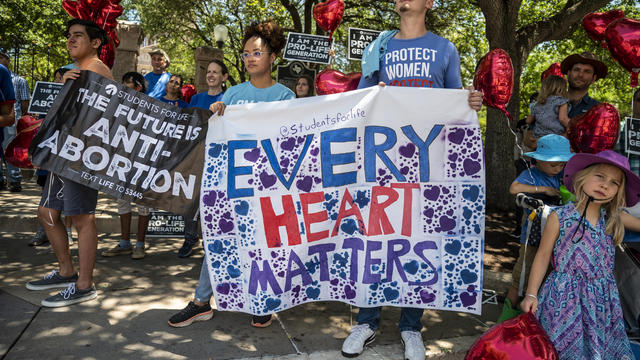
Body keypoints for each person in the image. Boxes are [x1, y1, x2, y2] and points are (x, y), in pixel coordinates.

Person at [342, 1, 483, 359]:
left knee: (420, 237)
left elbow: (455, 102)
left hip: (427, 163)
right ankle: (367, 320)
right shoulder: (379, 46)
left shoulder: (445, 48)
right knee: (375, 234)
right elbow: (360, 100)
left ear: (429, 3)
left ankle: (410, 326)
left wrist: (471, 102)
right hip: (381, 162)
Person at [168, 19, 294, 329]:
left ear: (273, 57)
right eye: (246, 53)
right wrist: (217, 115)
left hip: (267, 187)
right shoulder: (233, 95)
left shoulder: (286, 98)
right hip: (230, 185)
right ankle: (201, 302)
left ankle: (262, 300)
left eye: (258, 52)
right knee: (218, 239)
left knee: (264, 244)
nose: (251, 58)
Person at [26, 18, 113, 307]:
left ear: (96, 43)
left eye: (78, 36)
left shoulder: (96, 70)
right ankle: (66, 271)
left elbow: (104, 116)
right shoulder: (78, 72)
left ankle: (85, 284)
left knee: (82, 217)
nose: (70, 40)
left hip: (82, 158)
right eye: (69, 36)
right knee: (47, 214)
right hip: (64, 154)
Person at [520, 150, 638, 359]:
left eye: (614, 183)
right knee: (560, 348)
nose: (605, 185)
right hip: (563, 297)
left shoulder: (613, 219)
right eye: (600, 176)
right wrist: (531, 293)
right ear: (582, 178)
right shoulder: (560, 217)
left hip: (601, 300)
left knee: (597, 348)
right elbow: (543, 255)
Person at [500, 134, 573, 321]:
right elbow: (514, 188)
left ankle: (530, 318)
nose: (558, 168)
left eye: (561, 164)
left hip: (554, 237)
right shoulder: (532, 174)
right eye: (553, 164)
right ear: (539, 160)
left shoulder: (561, 177)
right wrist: (543, 190)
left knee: (544, 277)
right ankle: (505, 317)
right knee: (521, 276)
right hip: (532, 237)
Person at [178, 60, 229, 258]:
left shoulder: (229, 98)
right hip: (196, 155)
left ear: (224, 77)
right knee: (190, 199)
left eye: (215, 72)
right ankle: (190, 238)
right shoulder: (196, 99)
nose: (211, 75)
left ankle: (213, 242)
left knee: (214, 201)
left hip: (219, 158)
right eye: (209, 71)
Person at [101, 72, 151, 260]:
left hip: (143, 162)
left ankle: (140, 244)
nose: (124, 88)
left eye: (128, 85)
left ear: (138, 87)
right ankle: (124, 244)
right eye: (123, 84)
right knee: (122, 201)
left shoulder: (151, 107)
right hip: (121, 160)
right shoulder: (119, 105)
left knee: (143, 204)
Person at [523, 52, 607, 150]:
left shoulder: (597, 110)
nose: (580, 75)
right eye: (577, 69)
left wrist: (547, 142)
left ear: (594, 78)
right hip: (543, 163)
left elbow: (591, 145)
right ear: (568, 73)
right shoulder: (546, 100)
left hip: (576, 164)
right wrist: (530, 139)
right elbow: (529, 138)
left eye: (587, 71)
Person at [30, 67, 74, 247]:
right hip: (47, 156)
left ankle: (68, 231)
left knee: (67, 196)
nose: (59, 82)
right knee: (46, 197)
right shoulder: (45, 100)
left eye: (63, 80)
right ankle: (43, 231)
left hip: (64, 157)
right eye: (57, 79)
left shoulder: (74, 103)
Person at [0, 49, 29, 192]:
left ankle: (15, 179)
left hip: (11, 119)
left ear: (7, 59)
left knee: (9, 149)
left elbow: (24, 103)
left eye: (1, 57)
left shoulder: (19, 80)